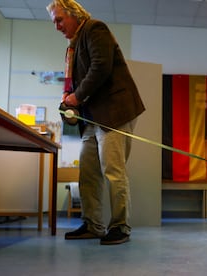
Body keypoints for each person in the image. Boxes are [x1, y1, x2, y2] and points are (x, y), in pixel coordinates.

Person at [47, 0, 145, 244]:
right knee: (88, 172)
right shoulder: (74, 44)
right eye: (54, 22)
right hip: (92, 117)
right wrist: (70, 100)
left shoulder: (94, 28)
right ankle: (93, 224)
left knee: (113, 170)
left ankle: (120, 226)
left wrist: (76, 96)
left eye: (59, 20)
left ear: (74, 14)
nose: (57, 26)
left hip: (114, 113)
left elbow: (101, 67)